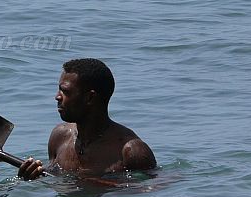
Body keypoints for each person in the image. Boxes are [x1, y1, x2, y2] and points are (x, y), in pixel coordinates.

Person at [18, 58, 156, 180]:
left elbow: (151, 191)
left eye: (65, 91)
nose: (57, 97)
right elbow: (54, 181)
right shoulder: (59, 136)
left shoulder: (131, 151)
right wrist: (34, 176)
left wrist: (104, 185)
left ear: (90, 98)